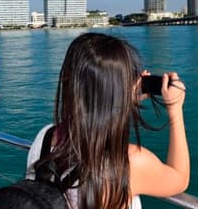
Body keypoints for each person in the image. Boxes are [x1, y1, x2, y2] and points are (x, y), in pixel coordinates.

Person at [27, 32, 189, 209]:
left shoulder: (45, 137)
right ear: (118, 91)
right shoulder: (129, 163)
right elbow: (179, 178)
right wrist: (175, 109)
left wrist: (120, 99)